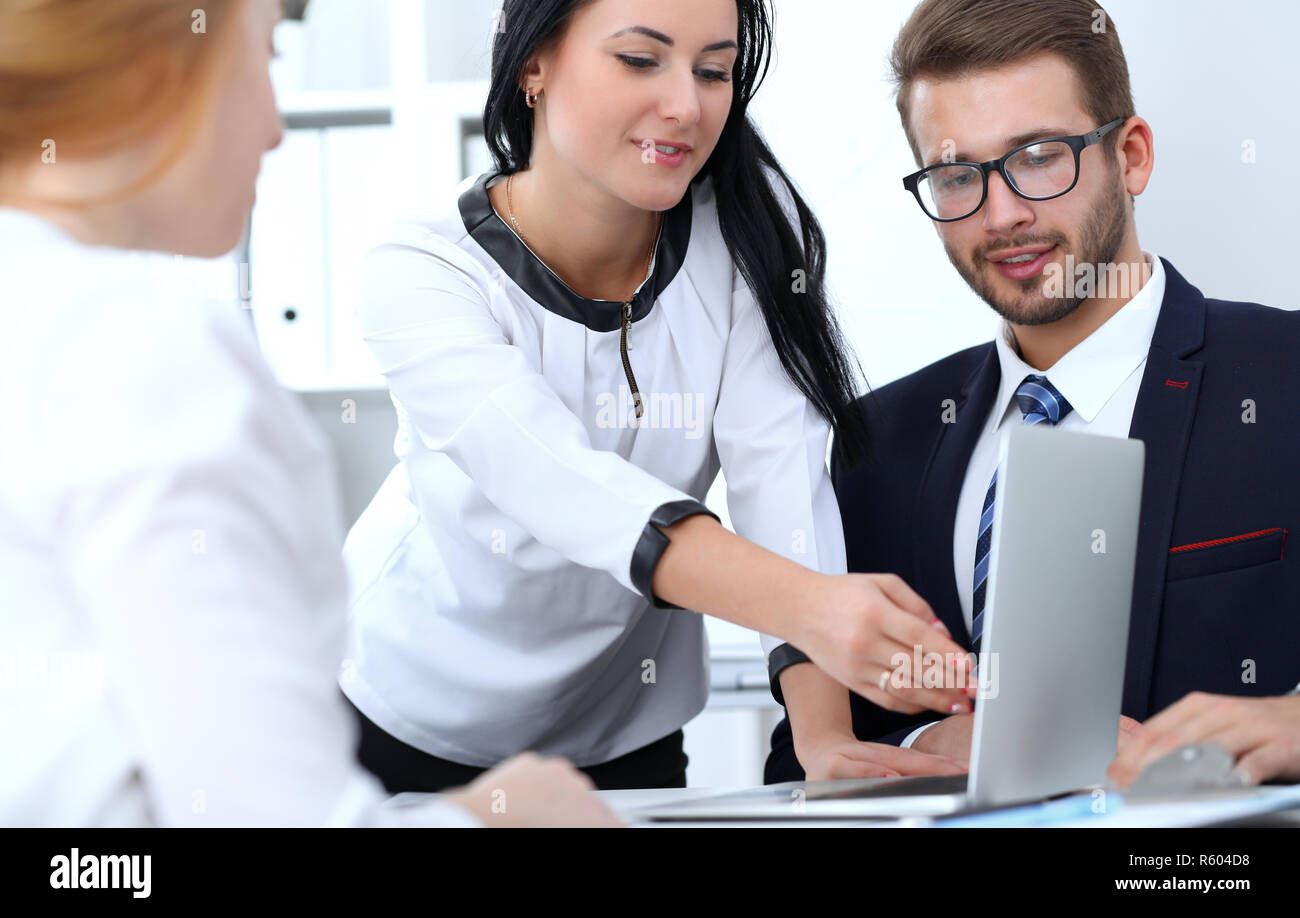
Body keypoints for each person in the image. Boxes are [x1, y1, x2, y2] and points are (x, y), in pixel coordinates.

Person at [0, 0, 619, 827]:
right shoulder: (136, 342)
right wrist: (500, 820)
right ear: (158, 72)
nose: (273, 128)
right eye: (265, 57)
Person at [339, 0, 968, 794]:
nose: (686, 105)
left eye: (714, 70)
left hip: (620, 734)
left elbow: (782, 477)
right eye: (641, 60)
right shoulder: (423, 268)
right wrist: (816, 608)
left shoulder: (739, 230)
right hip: (404, 720)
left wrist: (824, 732)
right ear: (532, 64)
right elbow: (560, 482)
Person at [764, 0, 1300, 786]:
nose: (1005, 215)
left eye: (1040, 156)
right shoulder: (875, 446)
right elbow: (803, 760)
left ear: (1133, 155)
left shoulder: (1284, 378)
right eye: (957, 175)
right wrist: (924, 750)